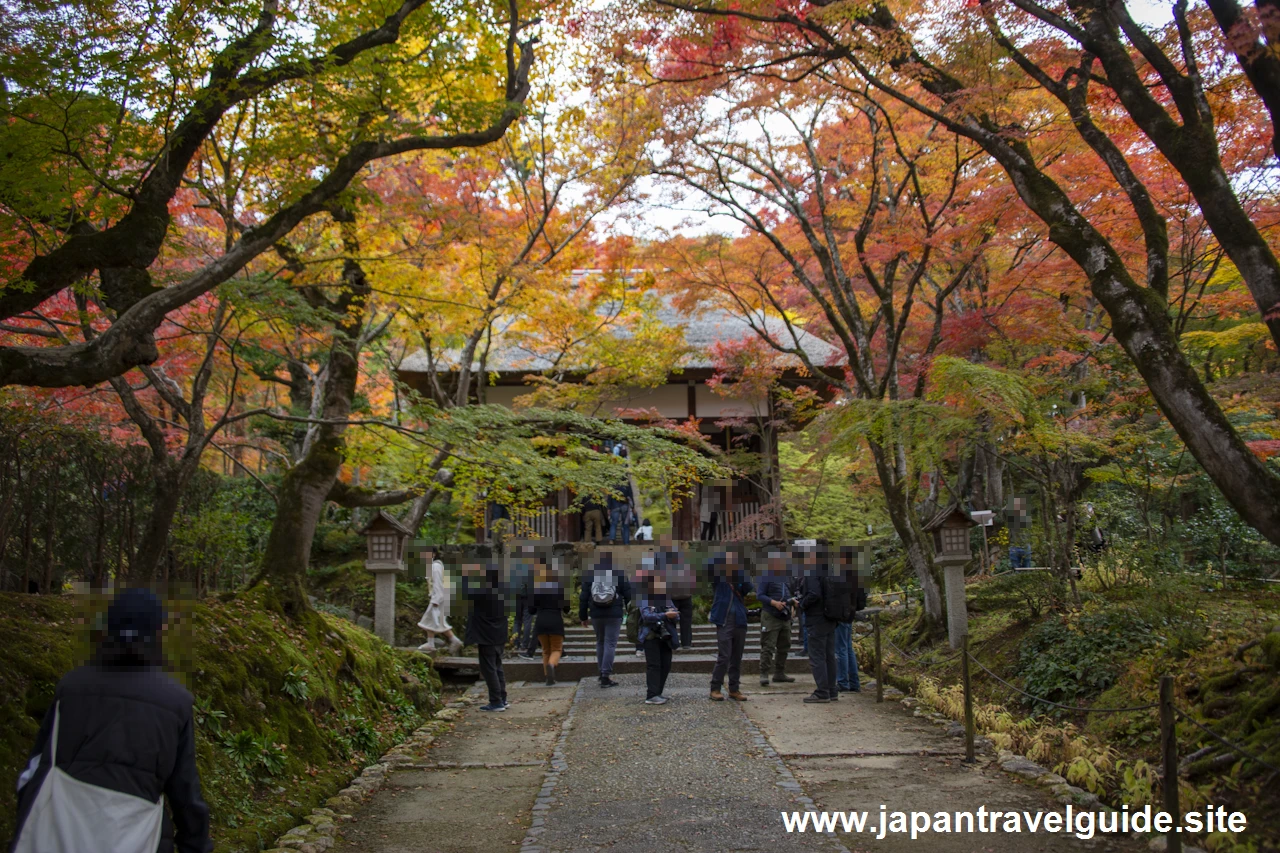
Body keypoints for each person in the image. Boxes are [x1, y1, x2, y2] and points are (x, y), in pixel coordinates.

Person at [10, 588, 213, 853]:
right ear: (157, 634)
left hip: (59, 832)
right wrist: (196, 845)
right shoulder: (175, 701)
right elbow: (185, 794)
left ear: (108, 629)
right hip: (138, 837)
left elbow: (36, 767)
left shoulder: (71, 687)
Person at [799, 545, 852, 703]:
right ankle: (832, 689)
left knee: (817, 656)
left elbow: (813, 594)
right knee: (829, 655)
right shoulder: (831, 571)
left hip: (816, 618)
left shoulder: (812, 572)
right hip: (831, 617)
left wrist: (802, 604)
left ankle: (822, 691)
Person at [579, 550, 632, 688]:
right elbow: (628, 594)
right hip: (614, 614)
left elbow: (583, 597)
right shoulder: (618, 573)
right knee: (610, 643)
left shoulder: (590, 574)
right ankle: (605, 675)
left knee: (600, 642)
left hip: (596, 613)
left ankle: (601, 672)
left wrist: (583, 616)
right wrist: (631, 612)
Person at [461, 560, 509, 712]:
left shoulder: (483, 590)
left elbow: (465, 592)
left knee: (489, 668)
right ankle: (503, 698)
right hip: (499, 634)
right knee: (497, 667)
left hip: (486, 635)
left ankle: (496, 701)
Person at [707, 548, 752, 702]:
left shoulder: (739, 576)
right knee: (724, 655)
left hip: (739, 618)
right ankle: (715, 687)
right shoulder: (719, 578)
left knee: (737, 656)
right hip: (724, 619)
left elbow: (748, 587)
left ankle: (734, 688)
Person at [637, 568, 681, 704]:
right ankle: (651, 695)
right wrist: (665, 615)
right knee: (654, 665)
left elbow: (677, 614)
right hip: (651, 635)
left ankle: (658, 692)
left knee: (666, 664)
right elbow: (646, 616)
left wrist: (672, 614)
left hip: (665, 635)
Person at [756, 550, 797, 688]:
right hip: (770, 615)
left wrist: (792, 605)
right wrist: (774, 603)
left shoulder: (787, 577)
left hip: (785, 616)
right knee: (768, 645)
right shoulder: (766, 576)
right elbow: (760, 595)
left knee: (785, 645)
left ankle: (779, 672)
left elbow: (792, 594)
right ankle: (764, 673)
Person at [530, 560, 570, 686]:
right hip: (555, 620)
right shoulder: (560, 587)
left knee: (546, 650)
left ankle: (548, 677)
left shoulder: (537, 588)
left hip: (541, 621)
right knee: (556, 649)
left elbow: (531, 609)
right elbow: (567, 608)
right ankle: (552, 665)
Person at [417, 549, 463, 655]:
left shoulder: (435, 567)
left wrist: (436, 600)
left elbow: (438, 584)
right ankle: (432, 643)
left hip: (440, 598)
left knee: (435, 620)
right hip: (440, 597)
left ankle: (454, 640)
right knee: (430, 620)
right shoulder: (434, 566)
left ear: (433, 554)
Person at [834, 547, 864, 694]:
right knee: (848, 649)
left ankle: (843, 682)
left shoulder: (842, 576)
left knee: (841, 649)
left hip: (841, 615)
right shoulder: (856, 575)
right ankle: (854, 682)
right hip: (850, 614)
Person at [660, 537, 695, 650]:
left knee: (671, 621)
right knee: (686, 621)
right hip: (686, 595)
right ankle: (686, 643)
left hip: (672, 596)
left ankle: (674, 643)